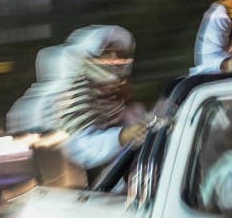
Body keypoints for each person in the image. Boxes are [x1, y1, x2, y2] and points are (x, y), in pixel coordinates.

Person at [8, 25, 148, 169]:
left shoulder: (118, 93)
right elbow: (81, 149)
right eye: (107, 53)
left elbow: (138, 123)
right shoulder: (74, 94)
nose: (115, 59)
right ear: (91, 55)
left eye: (120, 53)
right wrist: (122, 136)